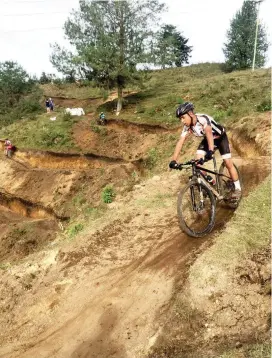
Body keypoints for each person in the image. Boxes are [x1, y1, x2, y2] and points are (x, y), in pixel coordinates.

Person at [169, 102, 241, 199]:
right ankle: (212, 183)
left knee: (228, 163)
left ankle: (237, 188)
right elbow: (180, 142)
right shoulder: (187, 127)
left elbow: (209, 133)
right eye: (180, 119)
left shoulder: (203, 119)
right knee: (197, 163)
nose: (182, 121)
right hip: (208, 140)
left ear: (190, 113)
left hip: (220, 138)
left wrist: (211, 151)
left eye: (183, 117)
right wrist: (174, 160)